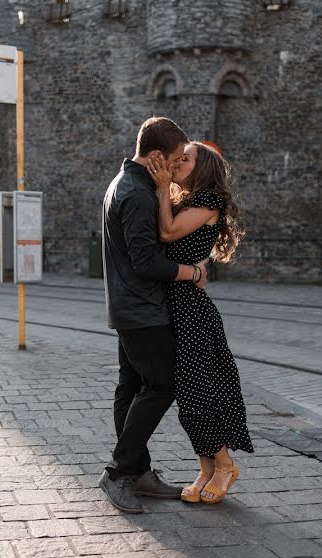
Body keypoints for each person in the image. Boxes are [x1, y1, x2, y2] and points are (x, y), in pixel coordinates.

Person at [99, 116, 210, 514]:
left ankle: (139, 472)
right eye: (179, 157)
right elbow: (146, 261)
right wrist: (193, 271)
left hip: (127, 306)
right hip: (143, 309)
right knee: (163, 385)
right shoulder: (139, 194)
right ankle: (119, 472)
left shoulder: (122, 183)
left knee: (129, 391)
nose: (182, 165)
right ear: (157, 156)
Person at [147, 141, 253, 504]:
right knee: (188, 394)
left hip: (191, 309)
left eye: (185, 159)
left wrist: (162, 189)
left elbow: (168, 233)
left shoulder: (209, 202)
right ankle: (206, 469)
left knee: (196, 393)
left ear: (202, 167)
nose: (177, 163)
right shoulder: (185, 199)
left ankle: (224, 465)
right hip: (173, 305)